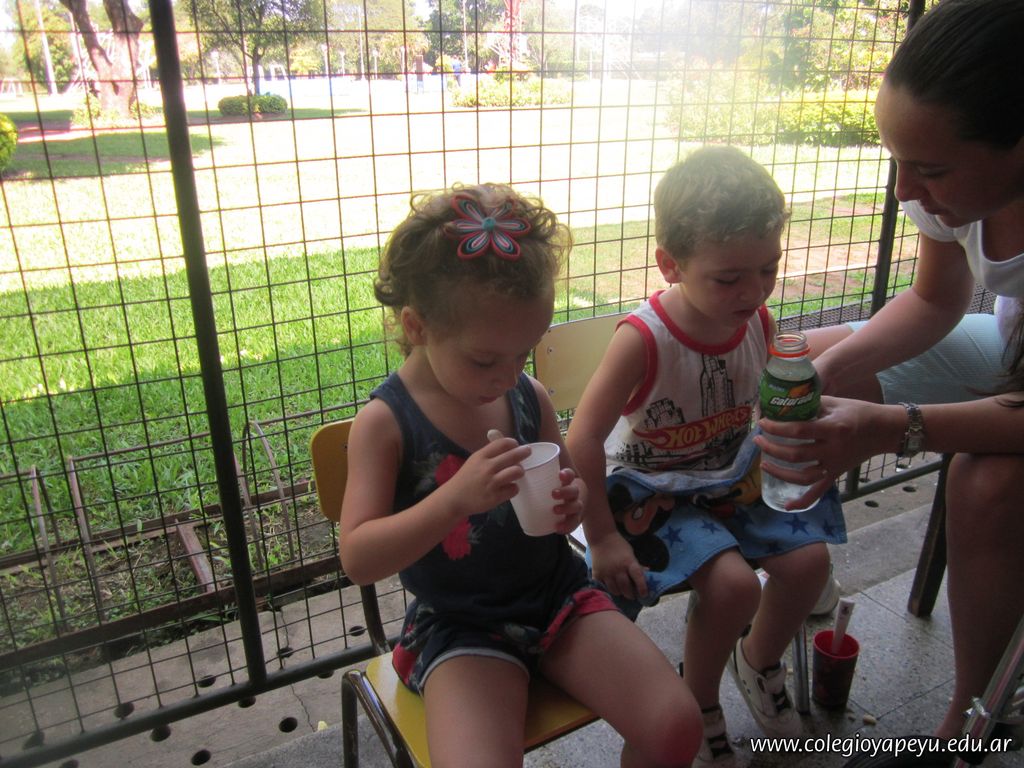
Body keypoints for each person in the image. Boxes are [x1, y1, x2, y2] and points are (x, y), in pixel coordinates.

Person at [339, 183, 702, 767]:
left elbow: (569, 487)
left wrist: (572, 500)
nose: (511, 376)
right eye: (486, 359)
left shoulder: (527, 397)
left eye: (525, 352)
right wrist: (455, 499)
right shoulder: (386, 425)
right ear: (416, 326)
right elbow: (358, 557)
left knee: (676, 726)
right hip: (461, 627)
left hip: (558, 597)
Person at [756, 0, 1024, 742]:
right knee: (798, 363)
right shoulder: (949, 185)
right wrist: (827, 372)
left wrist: (893, 429)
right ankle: (795, 578)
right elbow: (935, 299)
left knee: (986, 482)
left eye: (930, 170)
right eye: (899, 160)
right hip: (1009, 344)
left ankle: (970, 723)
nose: (905, 191)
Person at [566, 147, 846, 768]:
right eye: (729, 278)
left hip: (726, 472)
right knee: (733, 586)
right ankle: (699, 702)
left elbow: (762, 398)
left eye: (768, 269)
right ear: (671, 264)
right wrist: (602, 538)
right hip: (650, 487)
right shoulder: (643, 340)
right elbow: (581, 440)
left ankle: (757, 662)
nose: (754, 291)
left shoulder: (757, 320)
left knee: (809, 562)